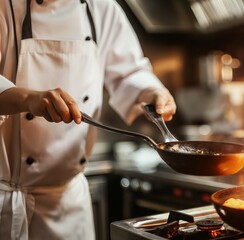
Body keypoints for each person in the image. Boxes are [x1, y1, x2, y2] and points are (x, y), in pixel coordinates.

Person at [0, 0, 176, 239]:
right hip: (5, 199)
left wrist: (152, 91)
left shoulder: (100, 7)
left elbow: (130, 71)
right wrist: (28, 98)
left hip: (68, 204)